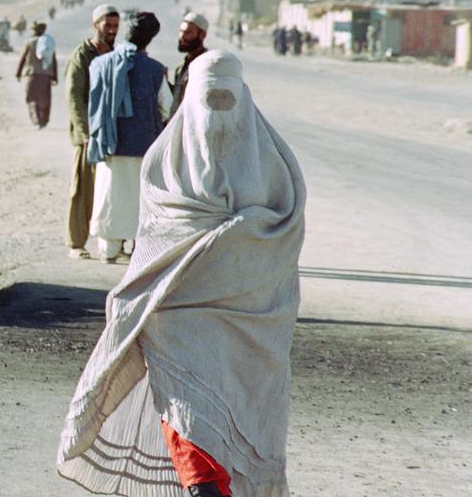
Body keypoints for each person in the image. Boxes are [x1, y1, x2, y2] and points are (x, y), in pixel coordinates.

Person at [57, 50, 306, 497]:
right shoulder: (163, 162)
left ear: (245, 96)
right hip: (177, 319)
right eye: (209, 99)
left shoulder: (275, 165)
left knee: (242, 425)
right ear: (190, 96)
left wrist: (244, 236)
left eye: (227, 99)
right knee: (189, 419)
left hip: (249, 329)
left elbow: (284, 237)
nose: (218, 112)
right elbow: (156, 242)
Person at [85, 11, 172, 263]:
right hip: (144, 146)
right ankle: (138, 249)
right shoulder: (155, 70)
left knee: (110, 196)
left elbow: (93, 104)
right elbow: (165, 107)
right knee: (139, 200)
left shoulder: (100, 64)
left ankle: (109, 249)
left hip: (109, 145)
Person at [63, 5, 119, 260]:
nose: (111, 31)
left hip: (110, 134)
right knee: (83, 189)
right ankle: (76, 243)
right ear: (96, 25)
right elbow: (74, 97)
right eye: (107, 26)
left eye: (115, 27)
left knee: (110, 189)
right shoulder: (82, 55)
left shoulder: (115, 54)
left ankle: (111, 243)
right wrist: (85, 132)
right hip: (88, 135)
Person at [15, 22, 58, 129]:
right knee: (45, 98)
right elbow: (53, 60)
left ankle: (36, 120)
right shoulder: (48, 43)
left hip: (32, 75)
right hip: (46, 76)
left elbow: (23, 58)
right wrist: (55, 77)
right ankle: (44, 120)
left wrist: (18, 73)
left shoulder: (29, 42)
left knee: (32, 98)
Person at [168, 11, 208, 119]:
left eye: (188, 32)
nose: (182, 37)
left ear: (202, 35)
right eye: (181, 31)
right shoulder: (180, 68)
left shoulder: (206, 66)